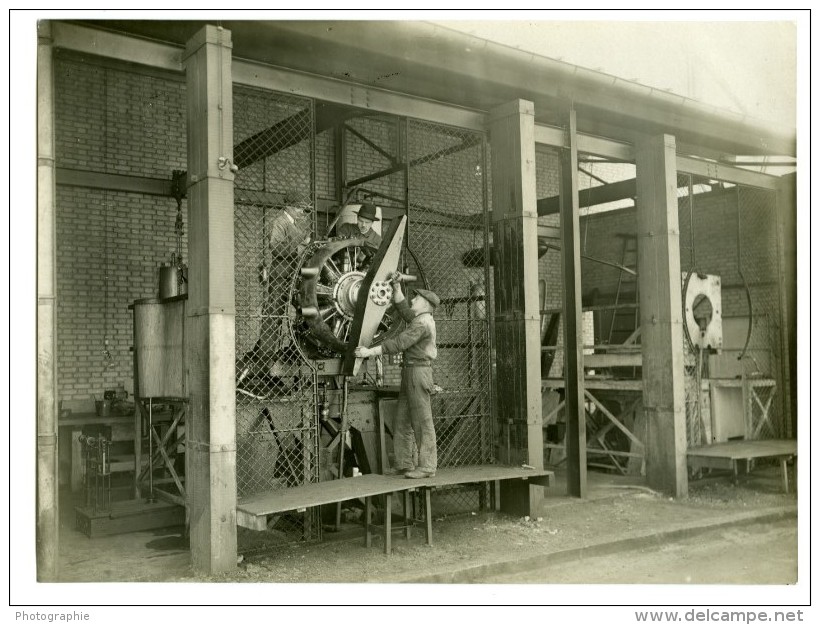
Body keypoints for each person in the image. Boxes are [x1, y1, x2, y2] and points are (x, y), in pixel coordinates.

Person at [355, 278, 439, 479]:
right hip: (410, 372)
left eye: (416, 299)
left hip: (418, 374)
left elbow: (399, 343)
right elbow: (403, 309)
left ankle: (427, 466)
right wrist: (396, 287)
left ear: (425, 304)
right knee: (402, 420)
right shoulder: (420, 318)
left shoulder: (422, 323)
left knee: (422, 422)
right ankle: (404, 464)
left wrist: (368, 352)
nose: (412, 301)